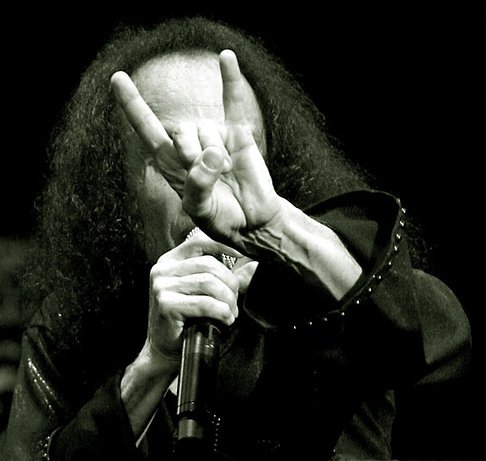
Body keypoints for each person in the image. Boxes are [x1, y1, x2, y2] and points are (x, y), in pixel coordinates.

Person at [2, 15, 471, 460]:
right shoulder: (73, 326)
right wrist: (150, 367)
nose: (204, 177)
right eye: (172, 153)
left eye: (228, 147)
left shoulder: (323, 290)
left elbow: (442, 344)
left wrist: (280, 233)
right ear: (116, 186)